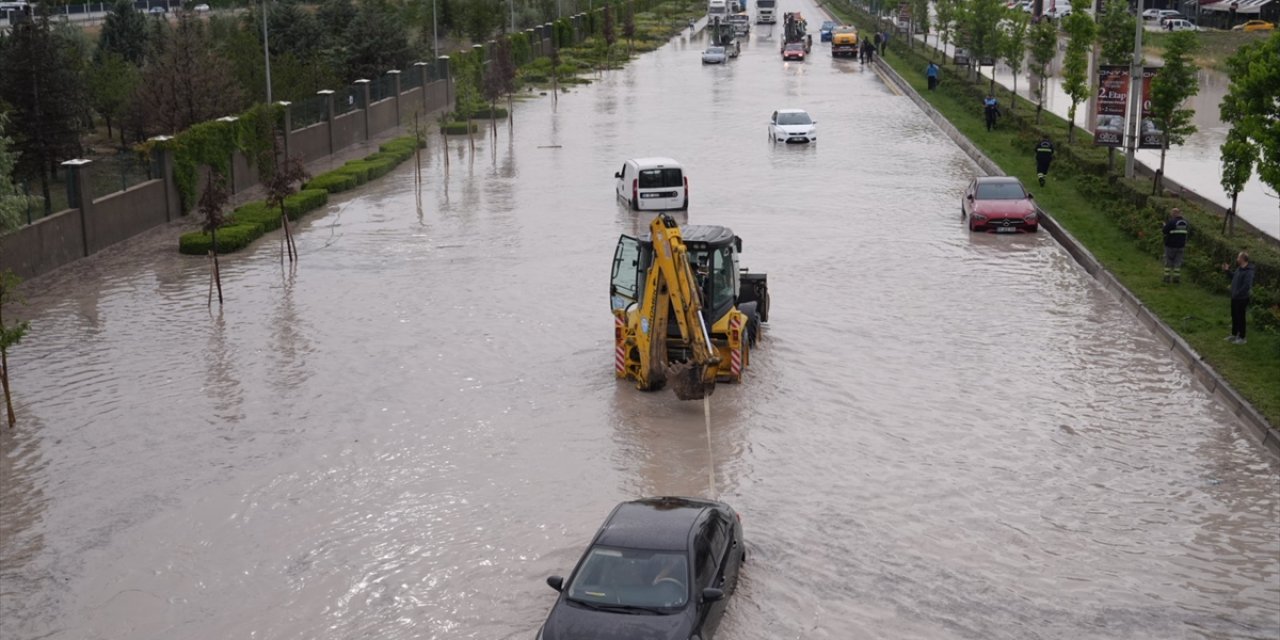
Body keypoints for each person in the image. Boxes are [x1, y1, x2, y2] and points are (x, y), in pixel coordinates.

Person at [1222, 251, 1254, 344]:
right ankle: (1234, 334)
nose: (1237, 259)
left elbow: (1246, 286)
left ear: (1243, 259)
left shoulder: (1249, 272)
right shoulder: (1240, 268)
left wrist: (1237, 293)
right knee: (1234, 316)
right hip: (1235, 297)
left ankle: (1242, 337)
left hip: (1242, 298)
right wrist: (1227, 271)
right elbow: (1233, 277)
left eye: (1238, 257)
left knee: (1241, 317)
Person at [1161, 208, 1190, 283]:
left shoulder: (1171, 222)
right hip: (1181, 246)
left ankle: (1167, 278)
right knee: (1178, 263)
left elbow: (1164, 231)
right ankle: (1176, 279)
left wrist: (1164, 226)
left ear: (1173, 214)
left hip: (1170, 245)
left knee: (1168, 262)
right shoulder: (1186, 223)